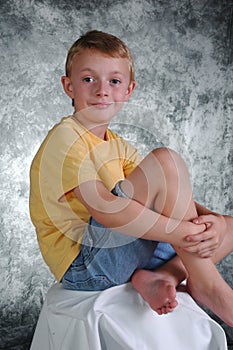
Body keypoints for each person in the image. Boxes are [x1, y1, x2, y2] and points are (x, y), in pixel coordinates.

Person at [29, 30, 233, 327]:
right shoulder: (66, 138)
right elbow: (107, 211)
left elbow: (169, 194)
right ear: (68, 86)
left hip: (120, 252)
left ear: (128, 90)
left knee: (228, 225)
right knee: (166, 160)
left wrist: (210, 220)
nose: (102, 90)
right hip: (86, 265)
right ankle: (210, 287)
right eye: (88, 79)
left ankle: (165, 274)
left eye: (114, 81)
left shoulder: (118, 145)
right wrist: (182, 233)